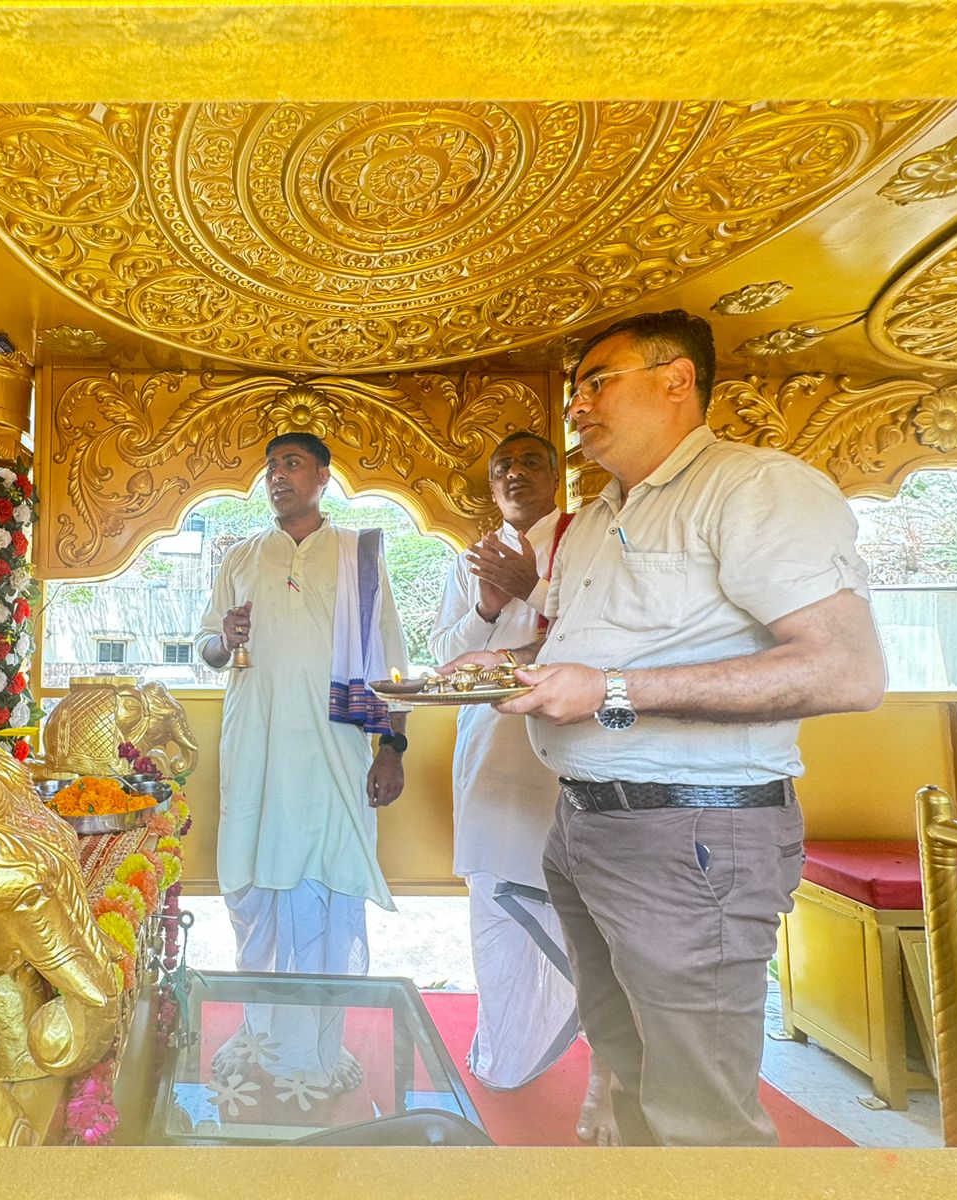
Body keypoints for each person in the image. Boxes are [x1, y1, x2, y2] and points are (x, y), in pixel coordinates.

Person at [447, 309, 885, 1146]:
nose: (576, 406)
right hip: (585, 822)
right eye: (575, 392)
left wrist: (610, 689)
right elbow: (589, 652)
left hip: (692, 833)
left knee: (698, 1111)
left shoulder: (752, 487)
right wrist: (506, 663)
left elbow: (846, 670)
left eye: (597, 383)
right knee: (630, 1067)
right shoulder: (598, 518)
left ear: (676, 380)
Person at [195, 431, 410, 1089]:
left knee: (326, 884)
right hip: (255, 751)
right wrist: (222, 639)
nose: (277, 476)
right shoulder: (240, 555)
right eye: (270, 466)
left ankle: (318, 1048)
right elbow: (205, 648)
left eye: (292, 464)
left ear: (323, 476)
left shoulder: (358, 555)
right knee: (256, 888)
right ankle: (261, 1035)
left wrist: (392, 748)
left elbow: (391, 657)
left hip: (333, 754)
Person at [428, 431, 617, 1145]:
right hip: (490, 752)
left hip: (571, 756)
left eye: (531, 460)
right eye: (502, 465)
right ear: (491, 484)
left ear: (556, 475)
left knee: (583, 907)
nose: (514, 472)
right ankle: (507, 1049)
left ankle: (601, 1060)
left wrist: (531, 586)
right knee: (494, 900)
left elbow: (609, 637)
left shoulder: (589, 542)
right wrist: (485, 604)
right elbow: (443, 659)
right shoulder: (470, 558)